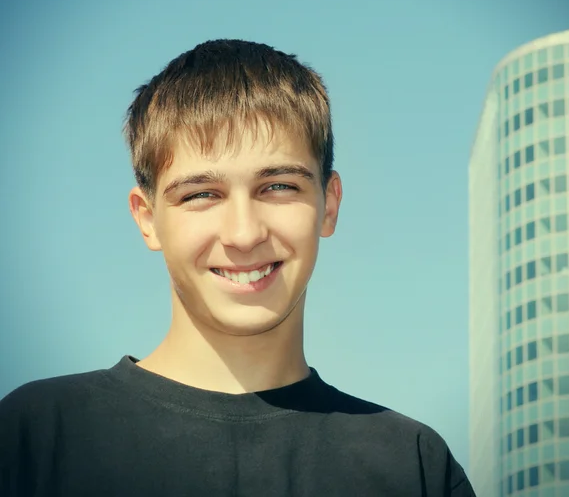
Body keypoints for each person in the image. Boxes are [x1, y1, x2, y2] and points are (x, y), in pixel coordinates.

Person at [0, 40, 476, 496]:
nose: (244, 234)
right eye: (201, 195)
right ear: (147, 219)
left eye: (278, 187)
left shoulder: (412, 466)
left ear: (328, 205)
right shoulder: (36, 438)